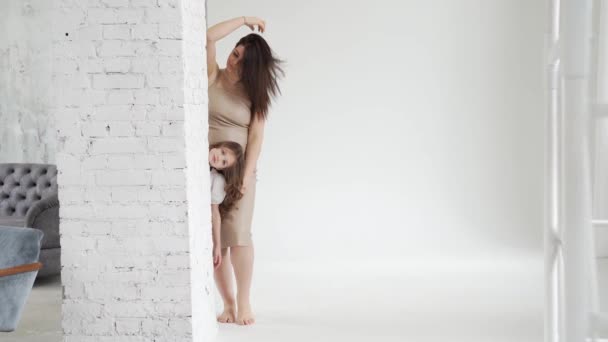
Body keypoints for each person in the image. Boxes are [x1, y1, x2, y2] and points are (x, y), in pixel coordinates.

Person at [207, 16, 285, 325]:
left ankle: (243, 301)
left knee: (238, 236)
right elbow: (208, 37)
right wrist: (243, 22)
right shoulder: (212, 75)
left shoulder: (255, 96)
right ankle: (226, 303)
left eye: (240, 58)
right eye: (235, 51)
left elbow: (256, 137)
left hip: (239, 173)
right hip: (209, 170)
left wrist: (248, 176)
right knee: (215, 241)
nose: (232, 58)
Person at [208, 141, 245, 270]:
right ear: (218, 146)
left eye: (224, 162)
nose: (219, 158)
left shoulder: (217, 181)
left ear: (222, 169)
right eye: (223, 152)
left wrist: (217, 245)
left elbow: (215, 213)